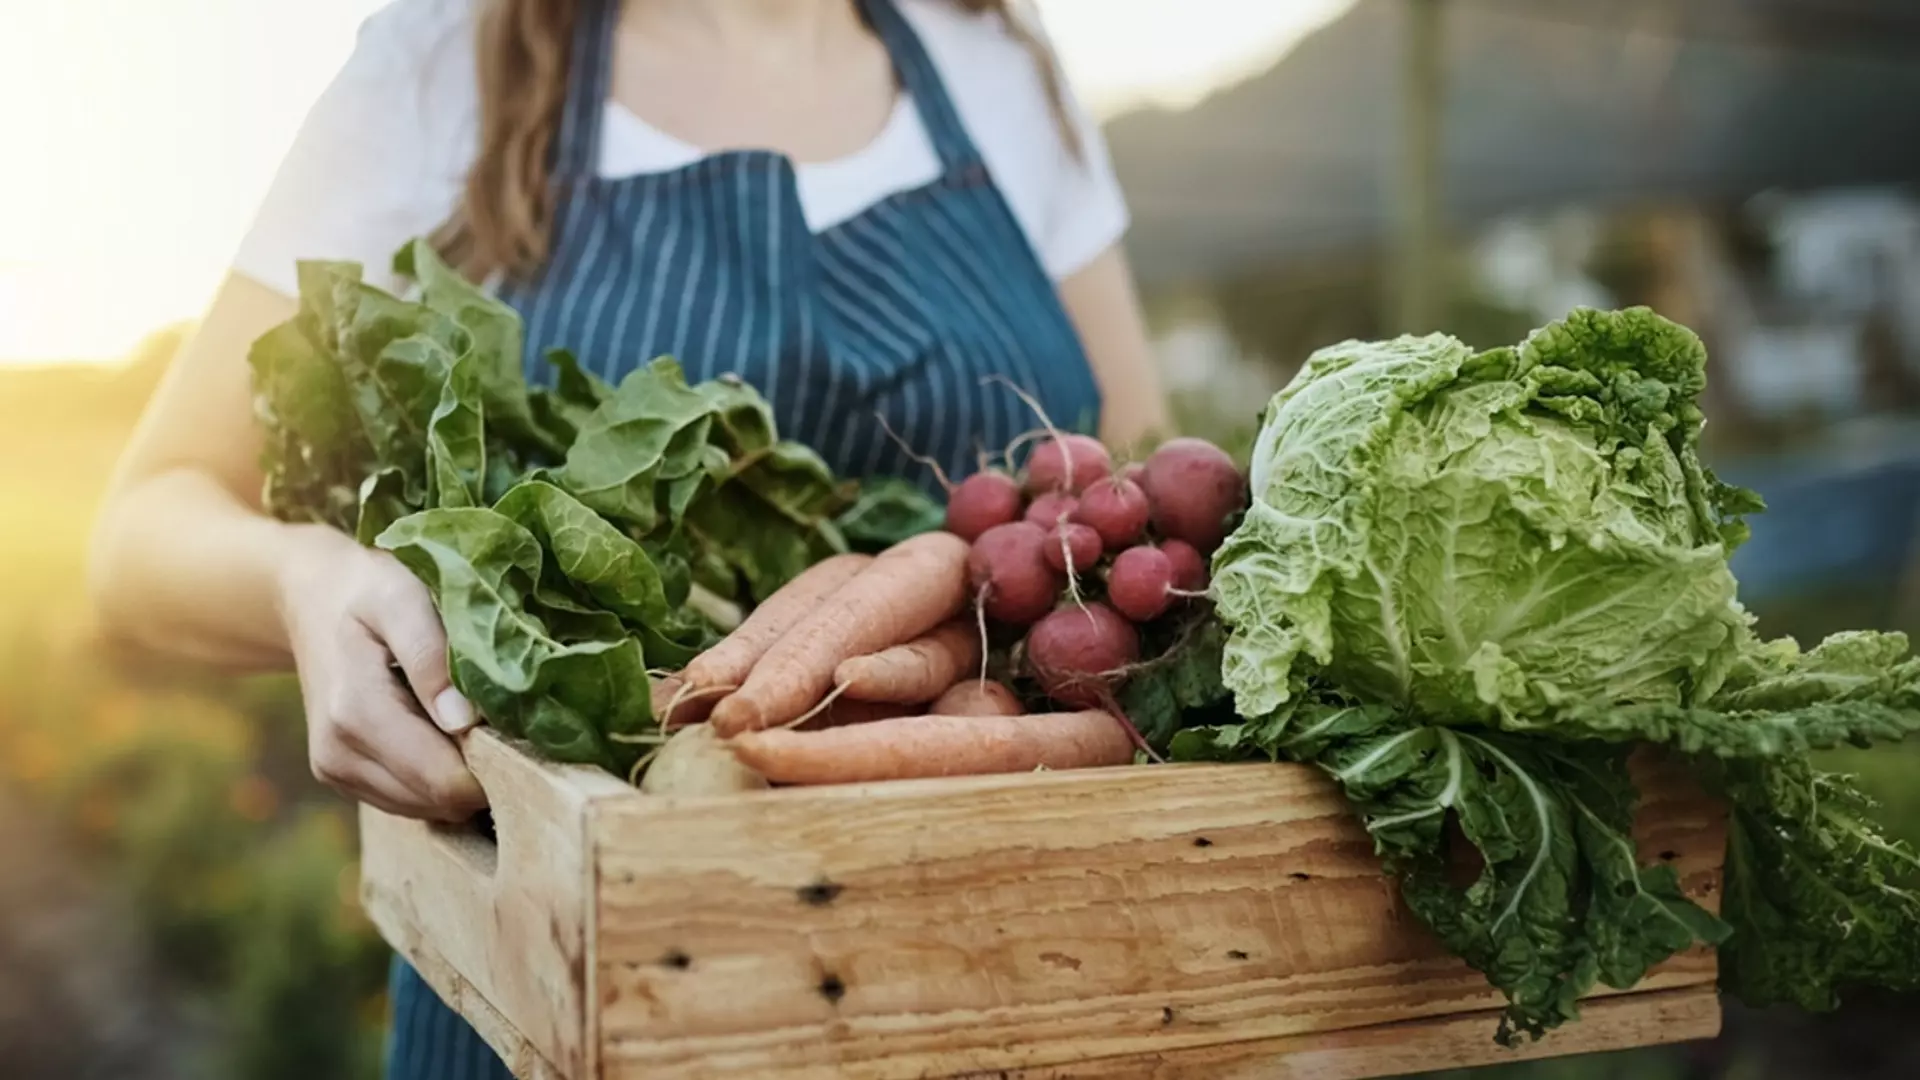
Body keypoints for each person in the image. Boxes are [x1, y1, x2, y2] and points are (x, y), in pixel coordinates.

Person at [88, 0, 1168, 1076]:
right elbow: (141, 529)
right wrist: (307, 580)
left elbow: (1137, 489)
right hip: (563, 985)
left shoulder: (991, 58)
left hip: (995, 975)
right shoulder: (443, 57)